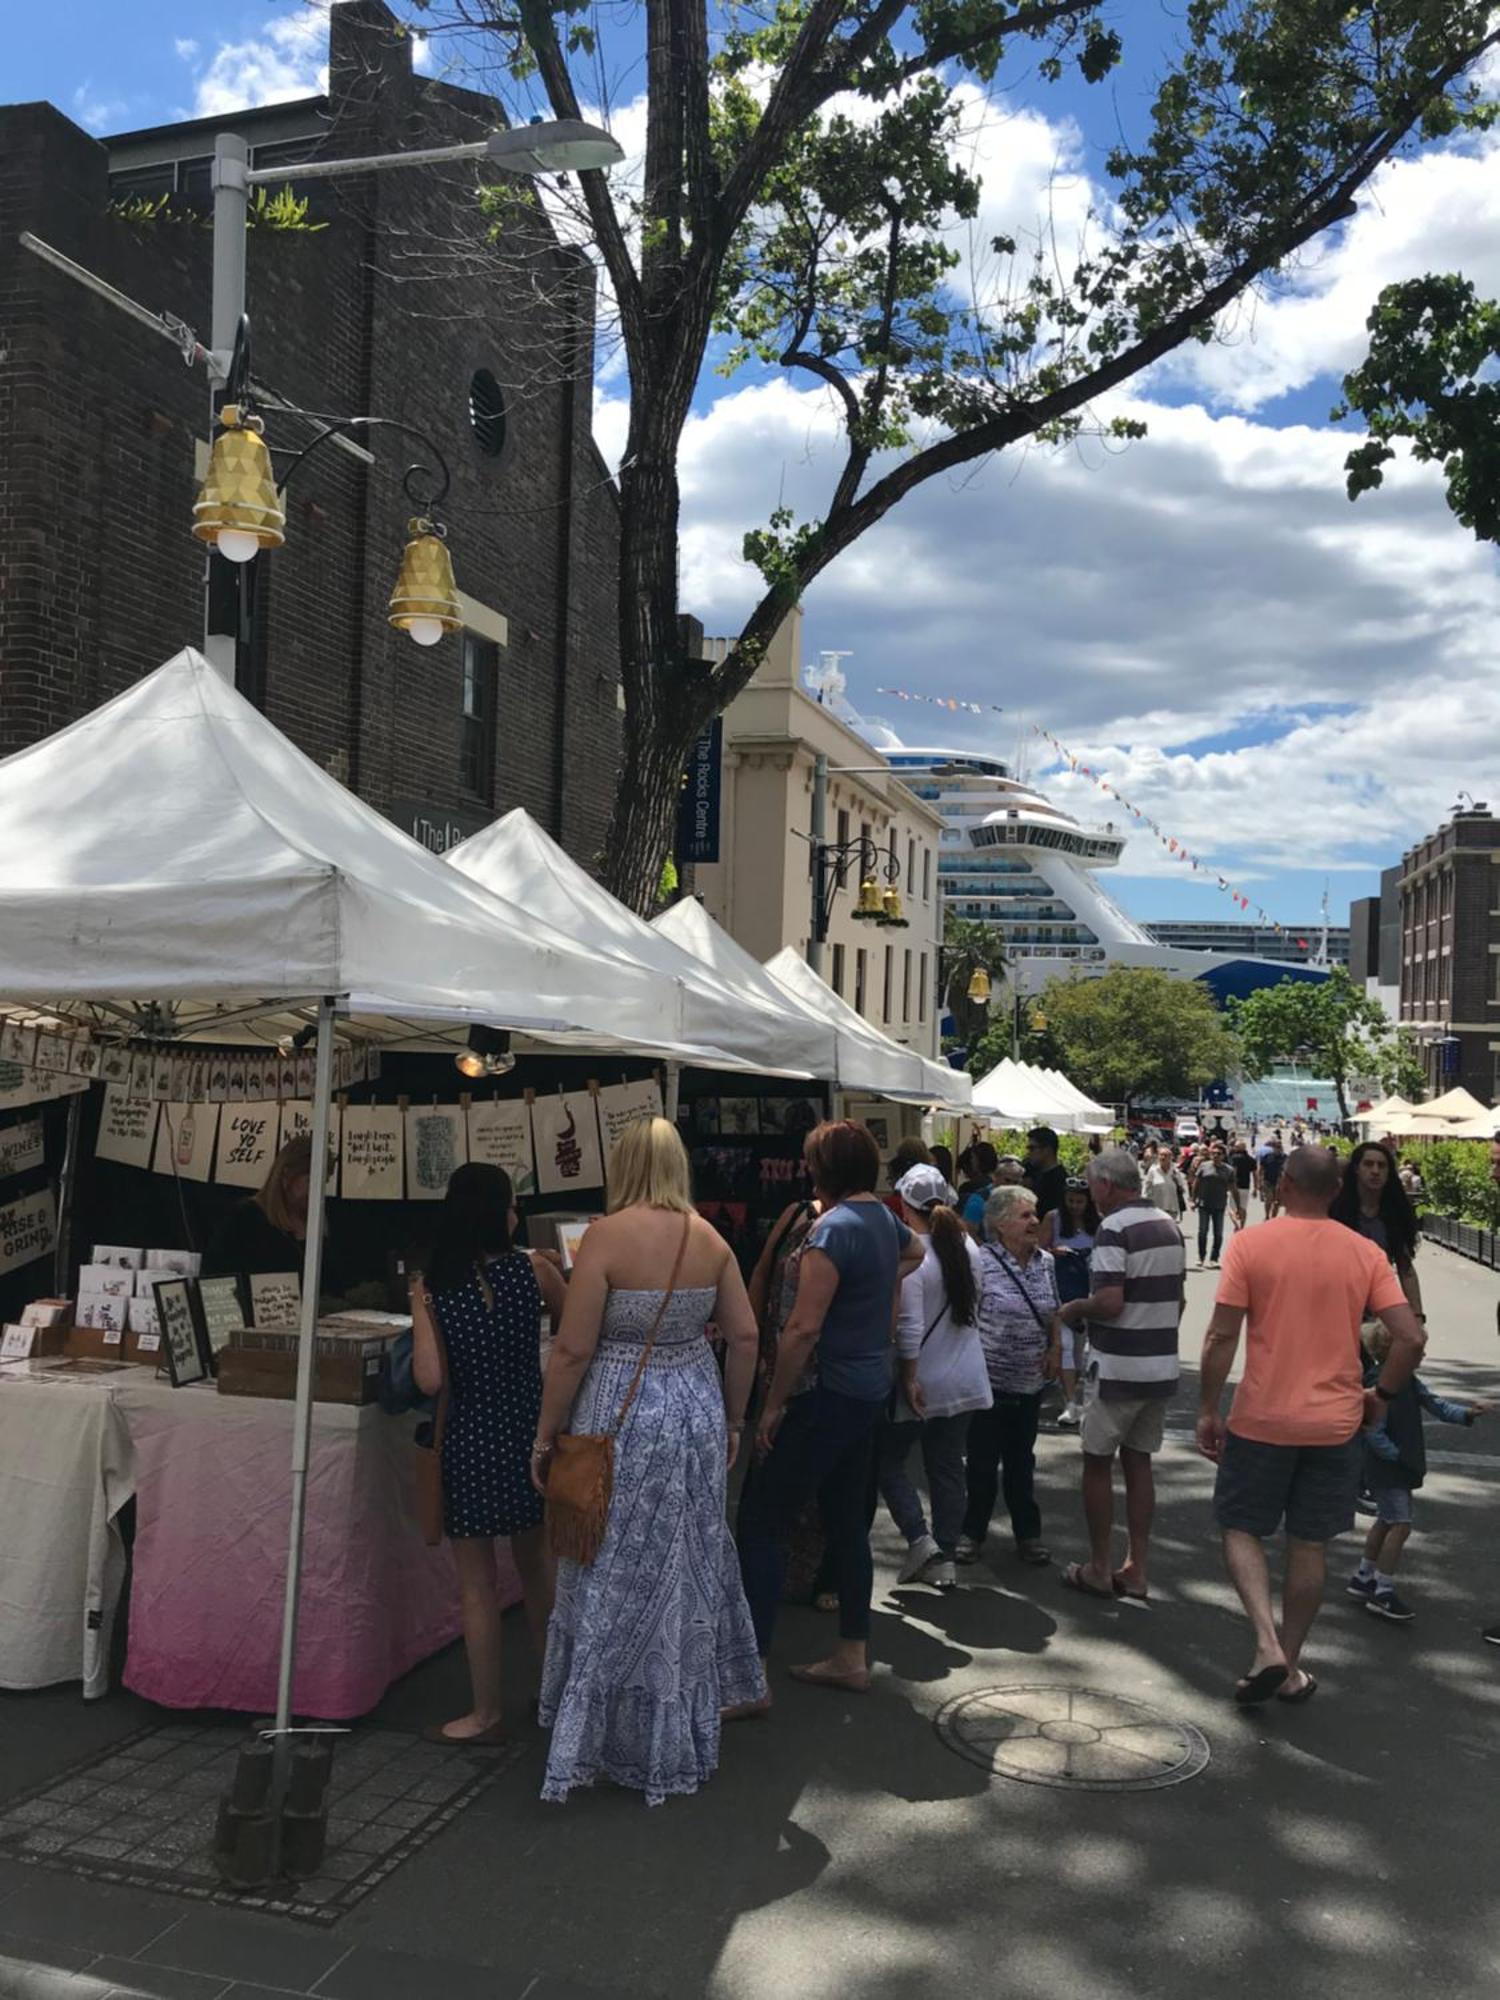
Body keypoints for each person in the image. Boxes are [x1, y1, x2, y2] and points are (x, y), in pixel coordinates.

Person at [534, 1118, 764, 1803]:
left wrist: (545, 1437)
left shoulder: (605, 1236)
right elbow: (746, 1336)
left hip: (619, 1417)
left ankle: (596, 1734)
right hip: (692, 1413)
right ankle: (674, 1727)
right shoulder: (710, 1239)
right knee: (681, 1566)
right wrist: (733, 1418)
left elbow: (573, 1350)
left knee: (607, 1564)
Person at [1196, 1146, 1426, 1705]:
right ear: (1335, 1190)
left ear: (1286, 1185)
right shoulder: (1365, 1253)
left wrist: (1207, 1407)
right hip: (1335, 1423)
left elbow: (1222, 1336)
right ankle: (1291, 1663)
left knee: (1242, 1526)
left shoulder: (1252, 1244)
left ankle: (1265, 1643)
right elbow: (1411, 1337)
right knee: (1309, 1546)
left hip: (1263, 1418)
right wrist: (1382, 1395)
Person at [737, 1121, 923, 1693]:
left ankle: (751, 1674)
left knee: (761, 1524)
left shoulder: (832, 1229)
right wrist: (875, 1286)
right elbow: (915, 1249)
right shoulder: (882, 1219)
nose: (804, 1168)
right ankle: (851, 1652)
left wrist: (770, 1407)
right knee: (847, 1524)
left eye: (810, 1159)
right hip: (868, 1390)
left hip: (823, 1392)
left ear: (824, 1167)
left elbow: (802, 1329)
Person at [409, 1164, 565, 1746]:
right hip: (529, 1431)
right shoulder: (535, 1270)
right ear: (499, 1211)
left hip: (469, 1438)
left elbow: (428, 1378)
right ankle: (552, 1696)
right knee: (537, 1569)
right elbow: (573, 1333)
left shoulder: (432, 1287)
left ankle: (484, 1711)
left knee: (476, 1583)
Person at [1057, 1149, 1184, 1603]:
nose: (1090, 1194)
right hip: (1159, 1362)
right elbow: (1179, 1298)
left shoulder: (1113, 1228)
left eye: (1092, 1185)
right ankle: (1137, 1568)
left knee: (1097, 1462)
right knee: (1139, 1463)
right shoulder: (1168, 1226)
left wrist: (1074, 1308)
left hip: (1117, 1364)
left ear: (1107, 1185)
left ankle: (1098, 1566)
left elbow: (1110, 1302)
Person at [878, 1163, 991, 1591]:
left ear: (905, 1207)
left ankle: (920, 1539)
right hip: (964, 1378)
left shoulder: (912, 1255)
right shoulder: (968, 1247)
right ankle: (944, 1555)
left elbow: (908, 1326)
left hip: (922, 1380)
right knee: (947, 1468)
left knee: (887, 1463)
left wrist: (907, 1376)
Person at [1349, 1323, 1492, 1623]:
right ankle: (1382, 1589)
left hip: (1394, 1467)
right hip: (1389, 1469)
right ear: (1396, 1350)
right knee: (1400, 1525)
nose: (1423, 1353)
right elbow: (1373, 1430)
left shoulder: (1408, 1381)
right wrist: (1396, 1457)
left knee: (1386, 1520)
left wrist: (1466, 1414)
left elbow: (1435, 1404)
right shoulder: (1381, 1383)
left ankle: (1365, 1576)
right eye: (1417, 1349)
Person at [957, 1186, 1060, 1568]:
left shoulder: (1045, 1262)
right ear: (1000, 1224)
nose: (1035, 1222)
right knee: (982, 1462)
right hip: (988, 1383)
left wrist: (1055, 1350)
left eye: (1034, 1214)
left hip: (1030, 1383)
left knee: (1021, 1462)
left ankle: (1028, 1535)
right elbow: (966, 1318)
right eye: (1025, 1216)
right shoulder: (981, 1262)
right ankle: (971, 1532)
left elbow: (1054, 1312)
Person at [203, 1134, 344, 1282]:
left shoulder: (320, 1222)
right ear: (286, 1175)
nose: (319, 1191)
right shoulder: (244, 1218)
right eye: (311, 1181)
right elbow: (215, 1280)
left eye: (324, 1182)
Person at [1329, 1141, 1425, 1319]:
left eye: (1381, 1166)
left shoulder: (1395, 1214)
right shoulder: (1336, 1211)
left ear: (1389, 1173)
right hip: (1338, 1305)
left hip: (1379, 1306)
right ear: (1356, 1169)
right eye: (1368, 1164)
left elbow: (1406, 1269)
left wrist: (1418, 1316)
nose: (1375, 1171)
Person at [1040, 1177, 1098, 1427]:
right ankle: (1071, 1402)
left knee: (1077, 1349)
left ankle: (1078, 1400)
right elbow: (1038, 1251)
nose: (1075, 1206)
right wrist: (1054, 1252)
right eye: (1071, 1200)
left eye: (1080, 1201)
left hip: (1087, 1293)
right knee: (1062, 1345)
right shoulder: (1053, 1219)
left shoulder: (1100, 1224)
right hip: (1059, 1292)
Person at [1190, 1141, 1236, 1269]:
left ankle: (1214, 1258)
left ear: (1223, 1156)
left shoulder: (1229, 1170)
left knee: (1218, 1233)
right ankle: (1201, 1256)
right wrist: (1193, 1200)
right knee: (1202, 1231)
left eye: (1219, 1154)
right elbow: (1196, 1183)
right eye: (1213, 1153)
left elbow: (1233, 1188)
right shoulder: (1204, 1166)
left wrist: (1237, 1206)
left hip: (1219, 1205)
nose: (1215, 1156)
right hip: (1204, 1204)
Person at [1024, 1126, 1069, 1221]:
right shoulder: (1035, 1174)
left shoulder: (1059, 1181)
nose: (1028, 1153)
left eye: (1032, 1148)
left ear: (1047, 1150)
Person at [1143, 1146, 1188, 1228]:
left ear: (1171, 1158)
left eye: (1166, 1155)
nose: (1163, 1157)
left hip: (1172, 1208)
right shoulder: (1153, 1170)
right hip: (1156, 1208)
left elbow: (1182, 1189)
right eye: (1161, 1155)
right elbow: (1147, 1187)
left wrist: (1176, 1181)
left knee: (1168, 1231)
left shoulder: (1175, 1171)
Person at [956, 1142, 997, 1211]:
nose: (971, 1161)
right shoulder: (998, 1184)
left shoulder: (968, 1187)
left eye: (972, 1158)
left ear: (978, 1160)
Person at [1255, 1132, 1287, 1218]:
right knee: (1268, 1200)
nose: (1278, 1148)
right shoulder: (1267, 1156)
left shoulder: (1285, 1158)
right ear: (1273, 1147)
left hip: (1280, 1183)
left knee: (1277, 1202)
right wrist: (1259, 1182)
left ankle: (1273, 1217)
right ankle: (1267, 1216)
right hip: (1267, 1181)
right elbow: (1261, 1169)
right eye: (1276, 1147)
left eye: (1279, 1147)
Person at [1228, 1138, 1255, 1233]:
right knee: (1243, 1208)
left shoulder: (1234, 1158)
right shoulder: (1250, 1159)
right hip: (1246, 1186)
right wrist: (1255, 1187)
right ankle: (1242, 1226)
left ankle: (1236, 1224)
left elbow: (1233, 1171)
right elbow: (1254, 1174)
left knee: (1231, 1208)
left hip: (1236, 1186)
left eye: (1235, 1146)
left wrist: (1230, 1183)